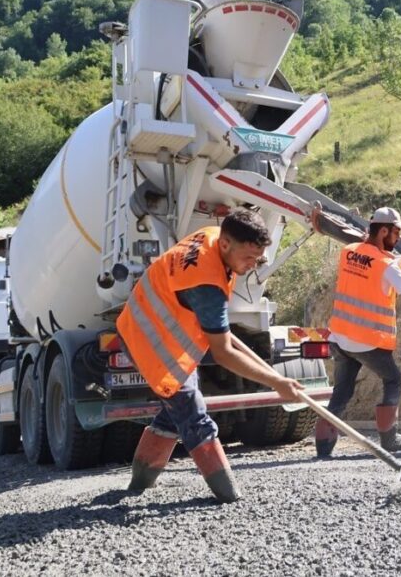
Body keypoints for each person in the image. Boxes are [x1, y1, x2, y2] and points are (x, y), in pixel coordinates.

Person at [116, 209, 305, 503]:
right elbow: (224, 353)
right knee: (193, 414)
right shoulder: (206, 285)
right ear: (226, 244)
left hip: (155, 332)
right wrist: (277, 383)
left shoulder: (213, 236)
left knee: (174, 414)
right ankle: (229, 497)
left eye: (257, 258)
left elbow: (222, 336)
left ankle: (138, 485)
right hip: (151, 343)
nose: (252, 265)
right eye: (249, 257)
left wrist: (276, 379)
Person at [315, 207, 401, 458]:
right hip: (367, 341)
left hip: (340, 337)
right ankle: (390, 440)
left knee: (342, 392)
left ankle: (323, 446)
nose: (399, 238)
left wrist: (394, 262)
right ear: (383, 231)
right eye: (396, 232)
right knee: (392, 379)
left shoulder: (348, 252)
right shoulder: (385, 266)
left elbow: (367, 258)